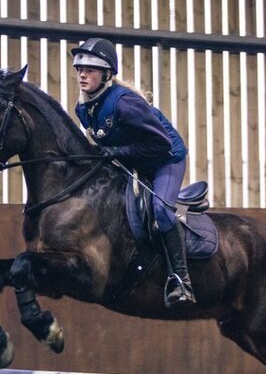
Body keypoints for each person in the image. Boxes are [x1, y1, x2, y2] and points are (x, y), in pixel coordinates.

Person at [72, 37, 196, 307]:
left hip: (166, 159)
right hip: (136, 162)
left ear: (106, 74)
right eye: (79, 68)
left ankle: (180, 280)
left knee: (162, 210)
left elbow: (160, 143)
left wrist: (117, 153)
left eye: (90, 69)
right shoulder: (83, 109)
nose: (82, 74)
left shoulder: (125, 103)